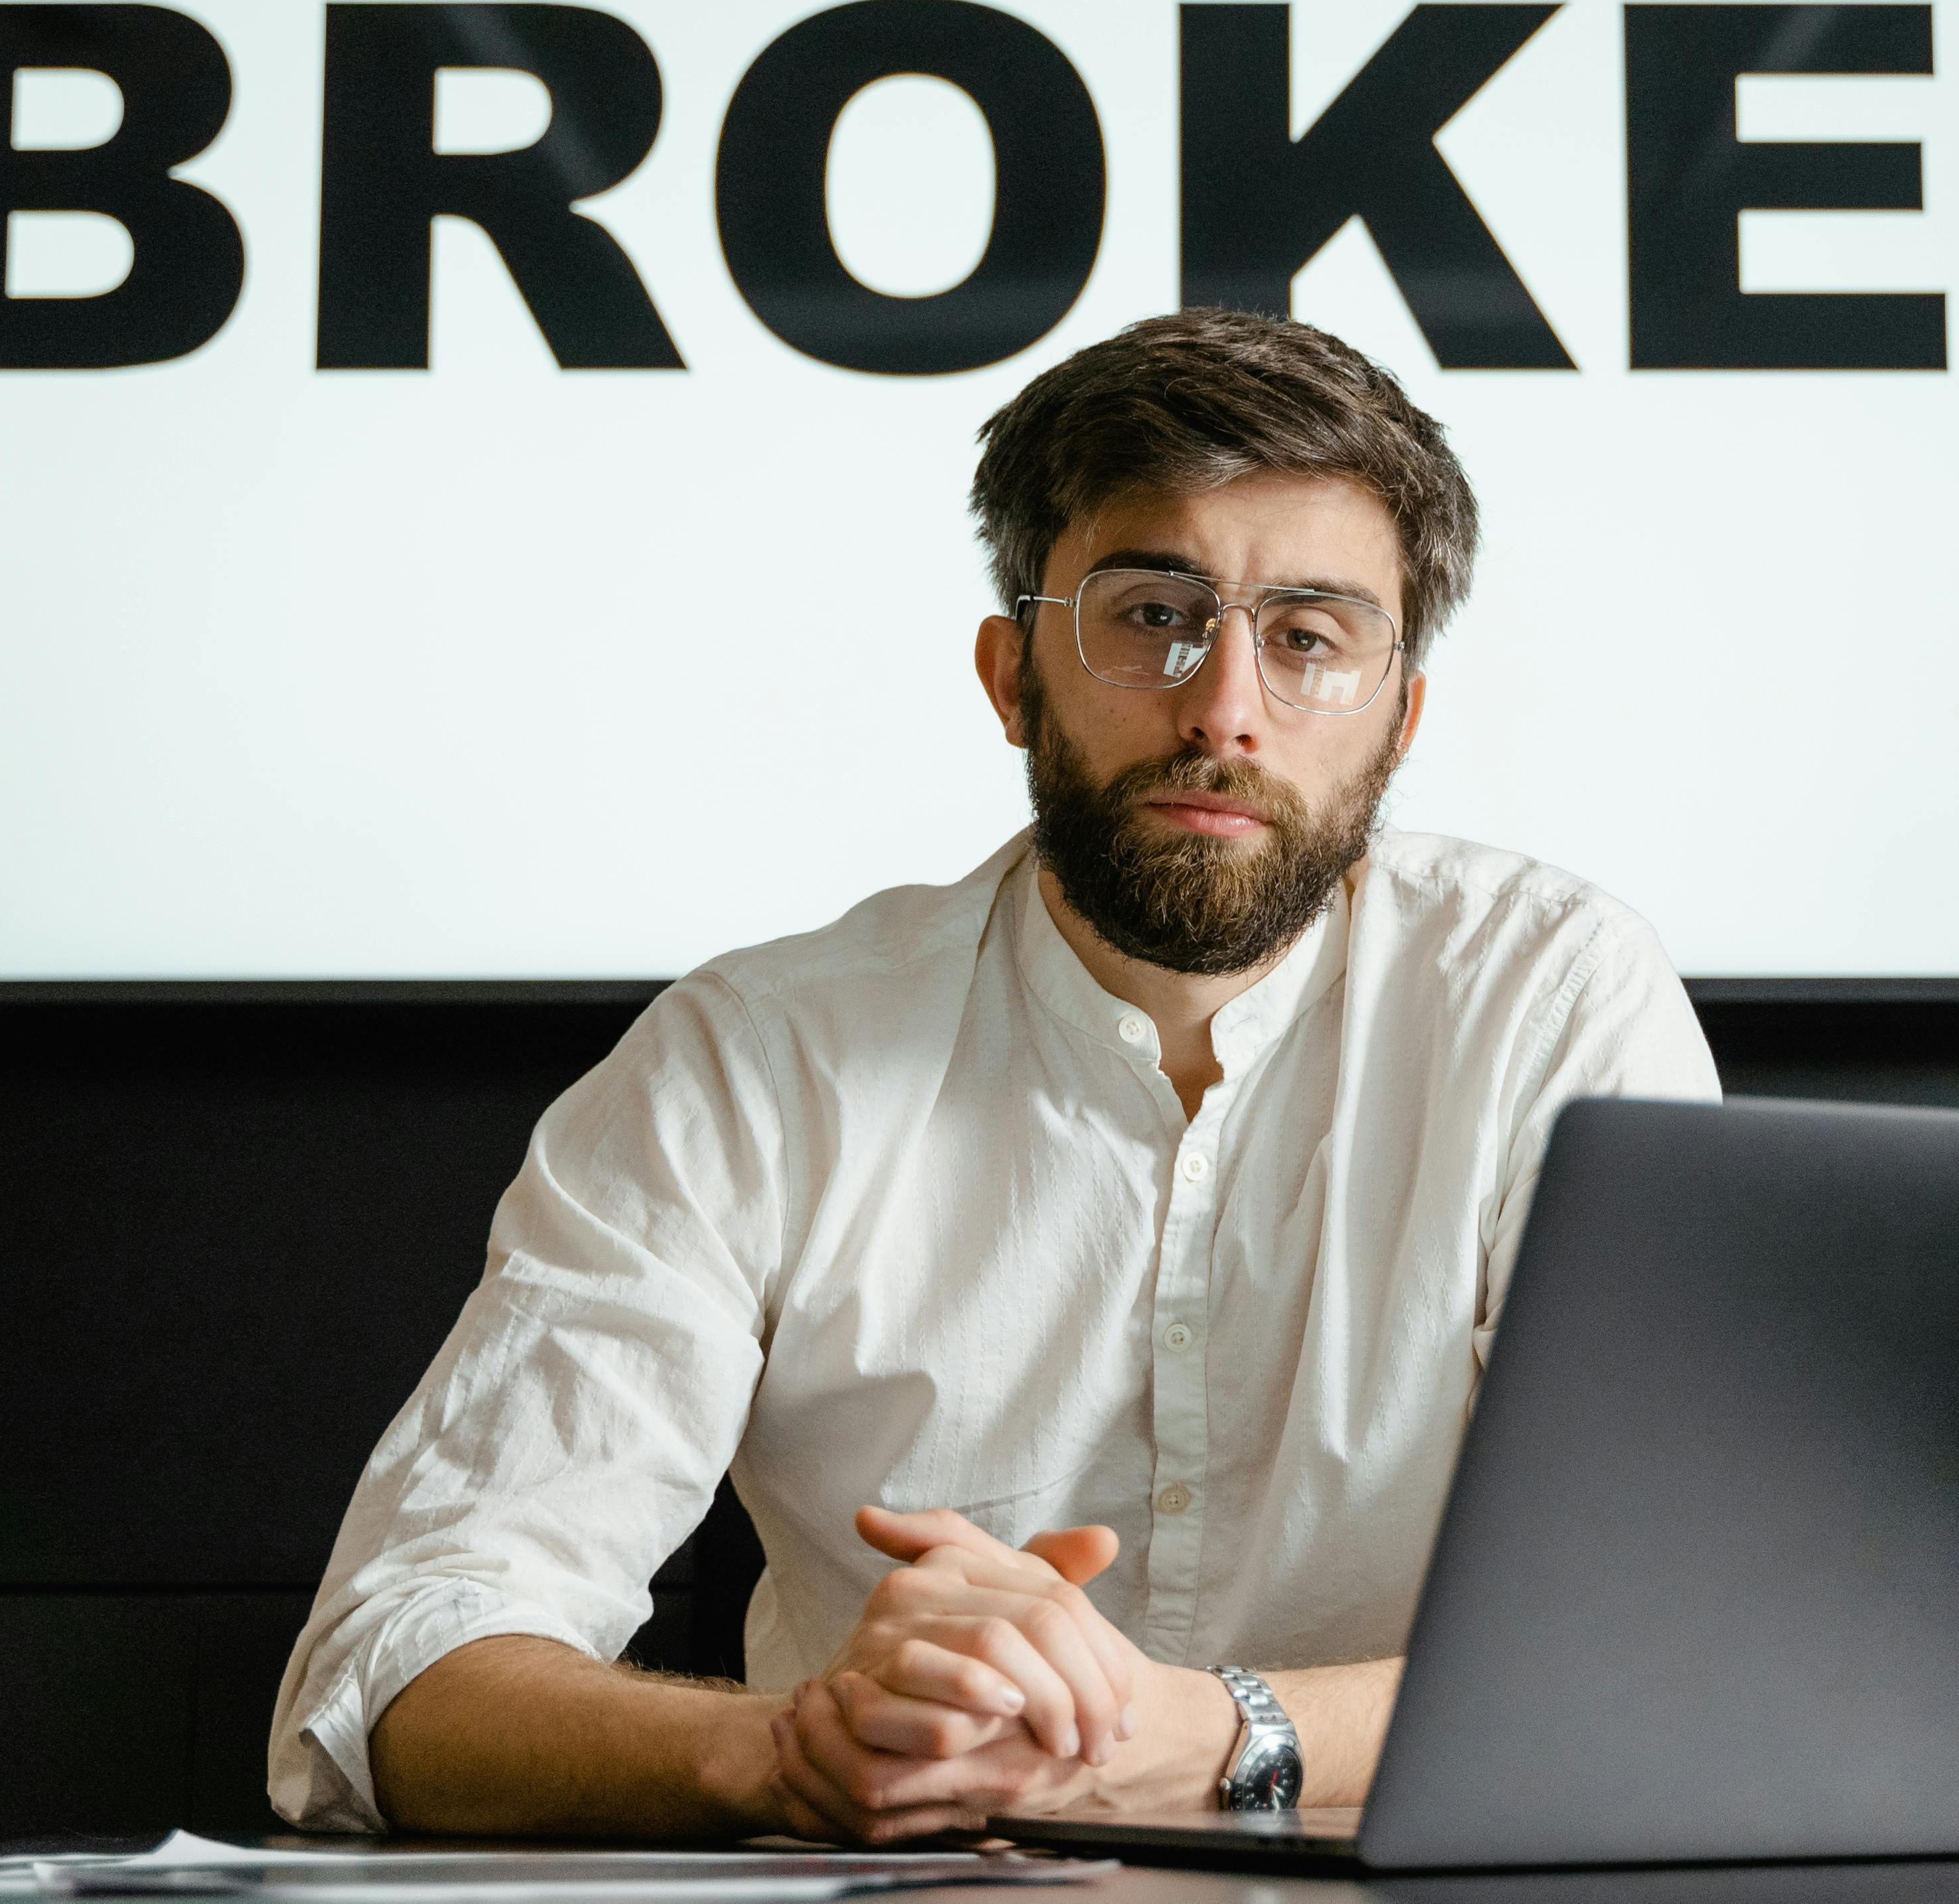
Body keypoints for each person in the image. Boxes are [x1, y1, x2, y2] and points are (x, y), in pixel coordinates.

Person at [267, 309, 1719, 1841]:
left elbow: (1691, 1644)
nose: (1225, 705)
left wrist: (1206, 1736)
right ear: (1013, 675)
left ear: (1401, 717)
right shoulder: (755, 1060)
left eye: (1307, 638)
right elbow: (388, 1677)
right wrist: (794, 1751)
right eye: (1152, 613)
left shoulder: (1553, 1002)